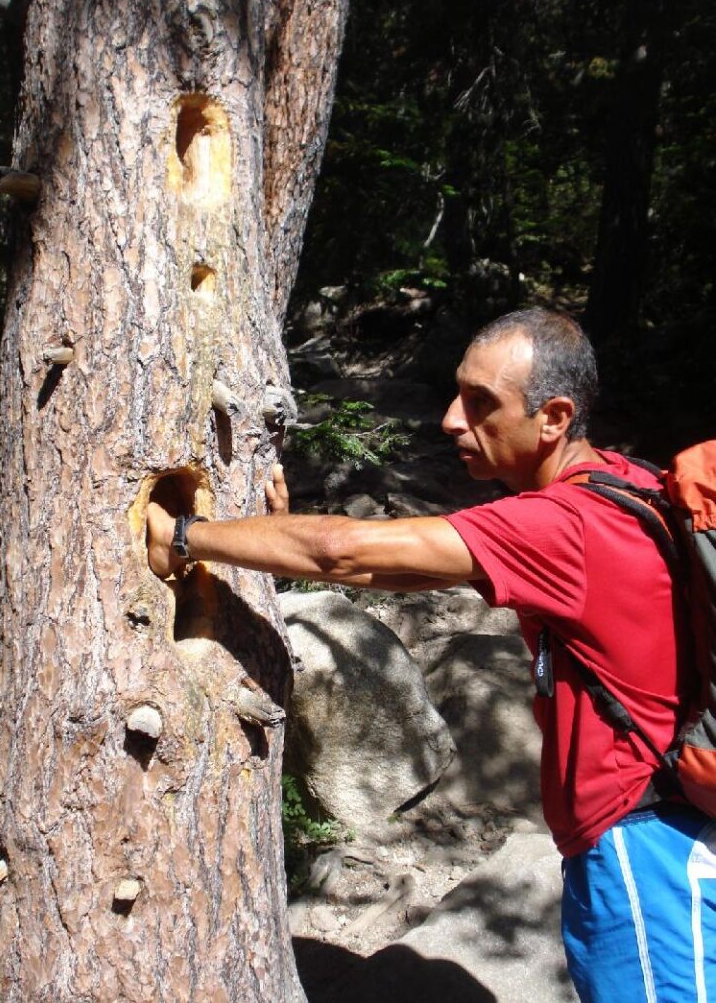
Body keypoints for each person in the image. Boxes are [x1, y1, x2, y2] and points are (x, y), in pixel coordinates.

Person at [147, 307, 715, 1002]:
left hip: (644, 852)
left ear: (555, 417)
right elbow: (413, 569)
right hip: (650, 830)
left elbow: (347, 553)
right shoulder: (621, 481)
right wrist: (262, 530)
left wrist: (186, 535)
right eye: (457, 393)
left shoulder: (563, 526)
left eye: (482, 404)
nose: (451, 419)